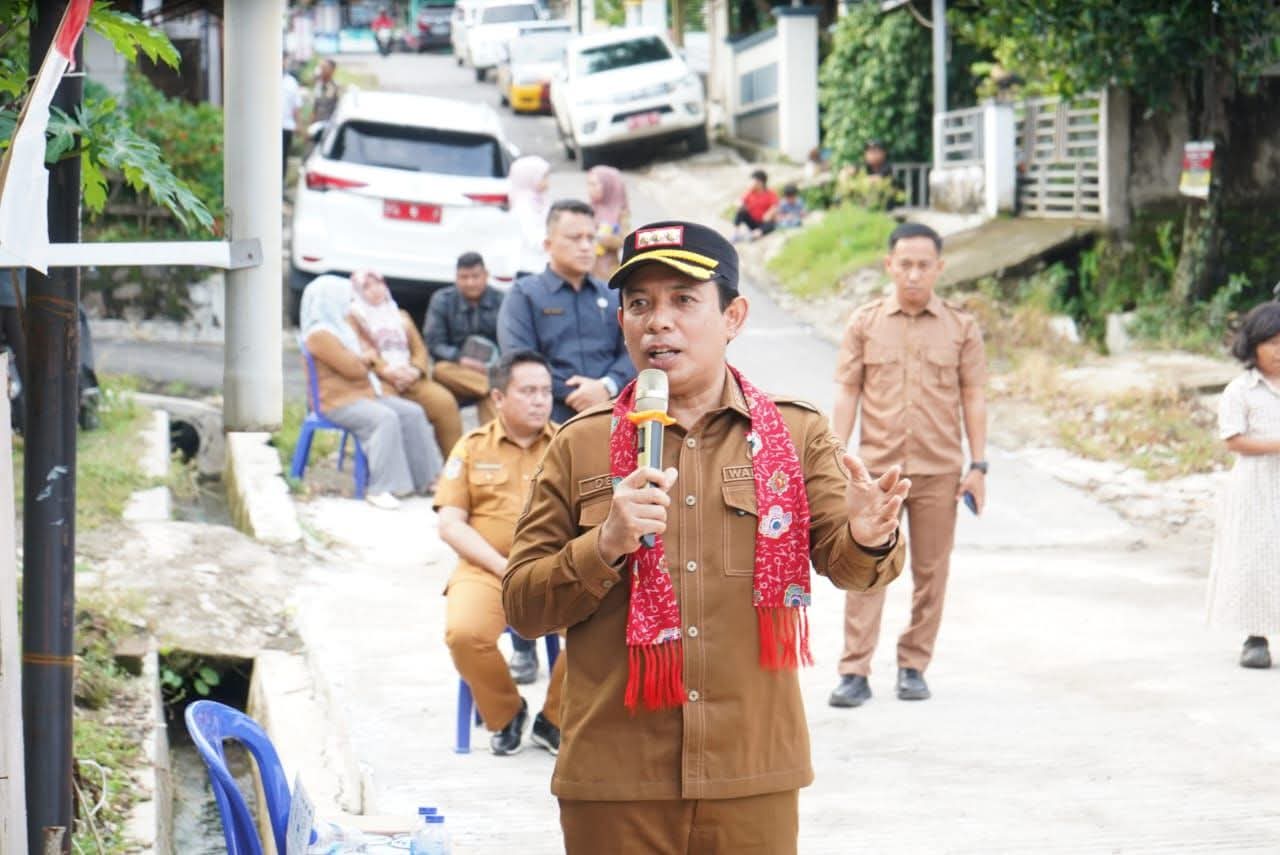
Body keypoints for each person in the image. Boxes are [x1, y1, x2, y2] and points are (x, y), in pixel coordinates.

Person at [502, 220, 908, 854]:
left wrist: (868, 532)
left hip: (750, 774)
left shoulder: (795, 436)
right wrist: (603, 543)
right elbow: (523, 608)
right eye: (639, 304)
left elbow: (856, 569)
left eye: (683, 300)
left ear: (734, 316)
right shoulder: (580, 444)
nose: (657, 322)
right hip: (614, 780)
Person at [828, 222, 988, 708]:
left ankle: (914, 664)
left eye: (924, 265)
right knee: (867, 566)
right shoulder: (865, 322)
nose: (914, 274)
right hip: (877, 472)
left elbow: (973, 395)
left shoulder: (961, 327)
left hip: (939, 471)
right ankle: (855, 670)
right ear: (890, 266)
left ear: (939, 268)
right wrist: (837, 456)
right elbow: (848, 390)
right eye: (906, 264)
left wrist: (978, 465)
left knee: (931, 571)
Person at [436, 350, 568, 755]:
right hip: (487, 569)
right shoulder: (472, 447)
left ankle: (555, 719)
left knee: (601, 634)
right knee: (464, 634)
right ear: (498, 398)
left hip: (556, 570)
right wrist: (501, 565)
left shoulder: (570, 443)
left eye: (545, 391)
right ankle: (507, 714)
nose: (540, 400)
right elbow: (450, 524)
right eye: (527, 391)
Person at [299, 275, 442, 510]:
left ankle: (427, 480)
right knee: (384, 418)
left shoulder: (341, 328)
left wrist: (365, 358)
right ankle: (380, 487)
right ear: (329, 301)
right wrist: (366, 359)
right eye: (344, 299)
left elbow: (367, 355)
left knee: (412, 412)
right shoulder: (319, 335)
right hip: (336, 403)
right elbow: (354, 369)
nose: (348, 304)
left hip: (361, 395)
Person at [497, 198, 635, 424]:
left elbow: (633, 349)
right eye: (575, 238)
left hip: (611, 409)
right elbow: (518, 355)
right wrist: (575, 392)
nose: (585, 246)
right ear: (548, 245)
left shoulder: (611, 295)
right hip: (549, 414)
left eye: (591, 238)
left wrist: (606, 385)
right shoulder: (524, 295)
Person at [1206, 301, 1280, 669]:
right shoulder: (1240, 390)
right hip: (1255, 485)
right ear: (1253, 346)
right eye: (1273, 343)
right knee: (1257, 558)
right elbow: (1233, 440)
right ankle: (1256, 637)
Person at [348, 269, 463, 458]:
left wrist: (416, 371)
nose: (375, 290)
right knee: (397, 413)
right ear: (357, 292)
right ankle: (409, 471)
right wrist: (387, 371)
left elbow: (419, 349)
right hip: (379, 382)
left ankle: (455, 466)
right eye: (367, 287)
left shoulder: (401, 315)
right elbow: (362, 351)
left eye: (378, 284)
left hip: (411, 378)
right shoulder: (355, 318)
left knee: (444, 402)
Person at [424, 252, 505, 425]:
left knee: (491, 403)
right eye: (464, 277)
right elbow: (434, 343)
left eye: (475, 276)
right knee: (439, 369)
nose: (470, 282)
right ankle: (494, 388)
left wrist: (492, 366)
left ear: (486, 275)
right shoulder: (442, 300)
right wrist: (460, 359)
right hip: (458, 371)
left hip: (490, 369)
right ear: (456, 278)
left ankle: (493, 449)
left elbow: (509, 342)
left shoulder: (501, 300)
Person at [509, 155, 552, 278]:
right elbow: (531, 236)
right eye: (543, 177)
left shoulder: (541, 200)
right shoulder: (523, 205)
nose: (547, 182)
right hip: (528, 266)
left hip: (543, 262)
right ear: (528, 178)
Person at [586, 165, 630, 280]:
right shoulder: (589, 208)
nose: (590, 189)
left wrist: (603, 238)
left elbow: (624, 241)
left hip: (608, 273)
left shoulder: (620, 212)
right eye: (589, 184)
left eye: (594, 184)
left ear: (608, 186)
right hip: (587, 271)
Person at [731, 168, 778, 240]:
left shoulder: (770, 193)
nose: (752, 183)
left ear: (760, 182)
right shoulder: (750, 192)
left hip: (764, 222)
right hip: (753, 221)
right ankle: (736, 234)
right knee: (741, 212)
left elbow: (775, 206)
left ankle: (755, 235)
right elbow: (739, 201)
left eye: (754, 181)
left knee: (771, 223)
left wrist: (769, 213)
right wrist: (740, 205)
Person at [281, 58, 303, 182]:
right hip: (269, 128)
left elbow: (296, 106)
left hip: (286, 126)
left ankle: (280, 187)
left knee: (282, 157)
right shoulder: (266, 79)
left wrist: (298, 125)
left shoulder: (291, 82)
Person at [310, 58, 340, 124]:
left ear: (333, 70)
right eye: (321, 67)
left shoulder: (335, 87)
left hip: (329, 124)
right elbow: (315, 106)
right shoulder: (318, 85)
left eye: (325, 67)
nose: (322, 70)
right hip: (316, 124)